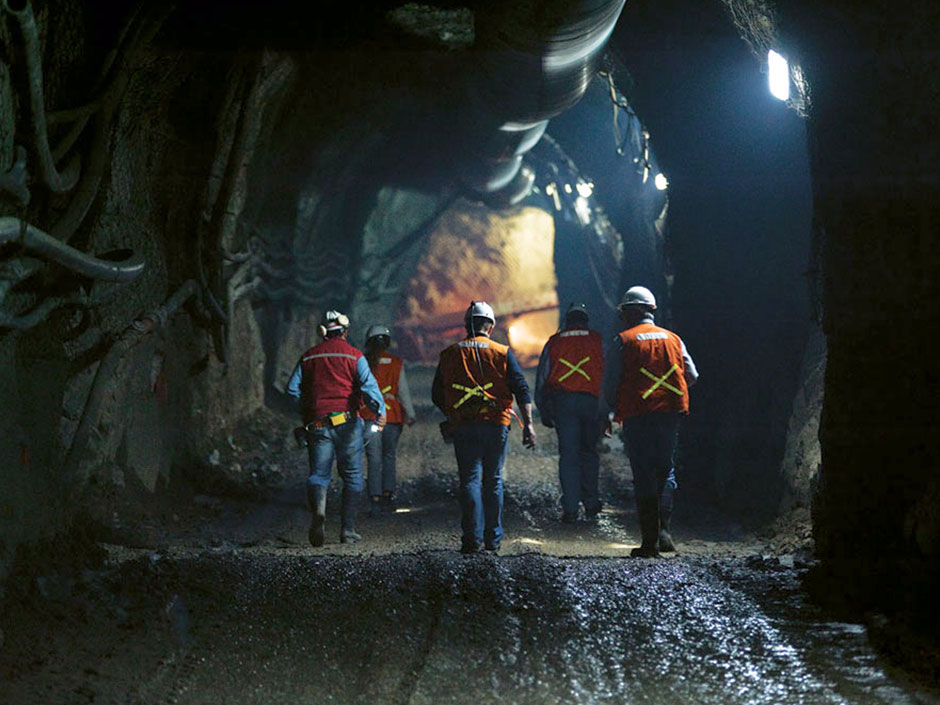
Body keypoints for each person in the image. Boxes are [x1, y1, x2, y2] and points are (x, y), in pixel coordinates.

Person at [432, 301, 536, 554]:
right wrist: (528, 425)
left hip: (464, 426)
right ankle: (493, 540)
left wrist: (452, 413)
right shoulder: (501, 351)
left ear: (467, 325)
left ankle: (471, 539)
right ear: (490, 326)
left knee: (469, 479)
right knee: (493, 480)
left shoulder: (450, 353)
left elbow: (437, 393)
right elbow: (522, 389)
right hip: (495, 425)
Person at [601, 286, 698, 557]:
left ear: (630, 312)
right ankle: (665, 533)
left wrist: (607, 411)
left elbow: (611, 382)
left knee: (643, 472)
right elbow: (692, 375)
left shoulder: (624, 340)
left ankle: (649, 542)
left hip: (637, 412)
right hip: (669, 412)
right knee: (665, 470)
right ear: (651, 310)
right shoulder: (673, 339)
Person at [287, 310, 386, 547]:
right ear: (345, 332)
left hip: (318, 425)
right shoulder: (354, 356)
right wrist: (380, 412)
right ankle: (347, 530)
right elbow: (370, 388)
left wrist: (308, 411)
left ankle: (319, 513)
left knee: (318, 474)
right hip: (348, 424)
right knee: (352, 477)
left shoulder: (308, 357)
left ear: (323, 333)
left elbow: (292, 390)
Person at [534, 302, 605, 523]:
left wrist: (543, 408)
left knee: (569, 455)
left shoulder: (554, 342)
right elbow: (609, 373)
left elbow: (542, 378)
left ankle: (571, 508)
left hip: (563, 403)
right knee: (589, 452)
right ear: (585, 319)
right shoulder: (598, 340)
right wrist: (609, 408)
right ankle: (591, 503)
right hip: (592, 403)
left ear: (567, 320)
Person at [361, 324, 416, 514]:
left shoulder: (363, 362)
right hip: (392, 415)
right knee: (389, 455)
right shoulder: (396, 362)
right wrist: (410, 414)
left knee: (373, 457)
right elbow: (403, 392)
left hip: (369, 414)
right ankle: (388, 493)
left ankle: (374, 496)